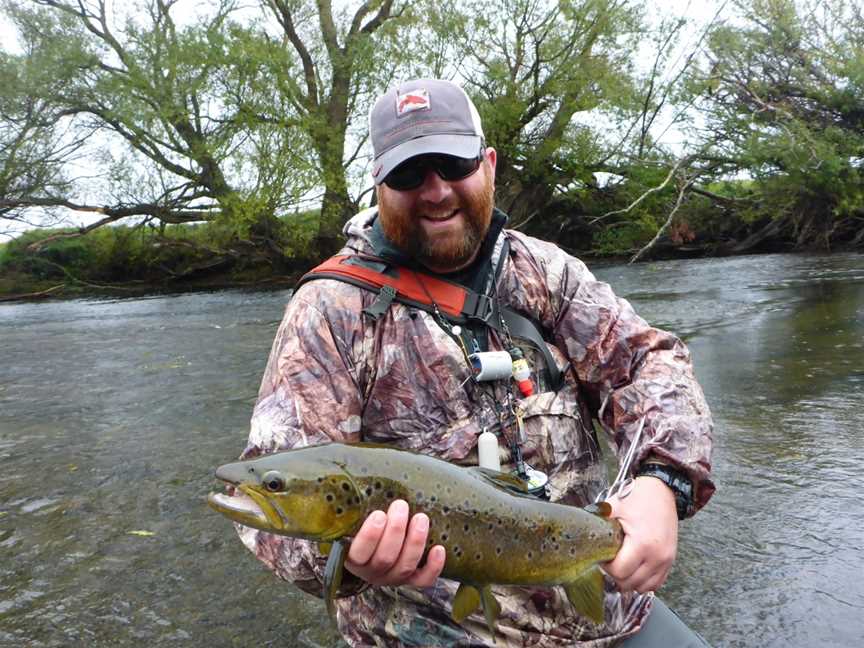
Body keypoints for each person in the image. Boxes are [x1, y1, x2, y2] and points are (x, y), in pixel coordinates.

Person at [235, 78, 715, 647]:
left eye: (453, 164)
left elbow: (649, 366)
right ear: (379, 183)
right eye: (409, 174)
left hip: (603, 611)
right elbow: (274, 498)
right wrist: (345, 559)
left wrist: (663, 484)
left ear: (487, 163)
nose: (436, 192)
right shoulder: (329, 312)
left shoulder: (546, 274)